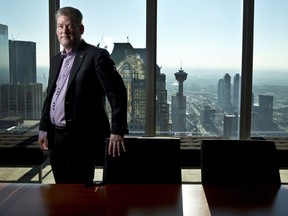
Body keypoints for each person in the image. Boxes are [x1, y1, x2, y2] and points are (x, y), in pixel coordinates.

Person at [38, 6, 128, 187]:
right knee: (61, 191)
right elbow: (51, 96)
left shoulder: (96, 56)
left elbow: (117, 92)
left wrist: (117, 131)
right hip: (56, 138)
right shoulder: (56, 60)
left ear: (81, 29)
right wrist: (43, 128)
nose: (64, 31)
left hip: (81, 139)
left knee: (80, 194)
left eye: (69, 26)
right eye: (60, 26)